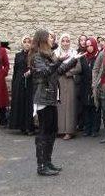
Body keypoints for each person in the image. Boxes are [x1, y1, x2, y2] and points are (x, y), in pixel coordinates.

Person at [30, 29, 80, 176]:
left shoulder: (49, 55)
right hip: (43, 97)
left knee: (52, 131)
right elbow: (44, 72)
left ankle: (48, 161)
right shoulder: (36, 56)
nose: (53, 39)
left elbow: (58, 72)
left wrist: (73, 59)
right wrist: (59, 60)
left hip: (51, 97)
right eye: (50, 37)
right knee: (44, 132)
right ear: (43, 39)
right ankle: (41, 166)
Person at [9, 36, 35, 135]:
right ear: (22, 43)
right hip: (19, 82)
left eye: (29, 42)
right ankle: (22, 126)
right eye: (25, 42)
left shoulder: (34, 55)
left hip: (30, 82)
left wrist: (31, 71)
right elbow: (16, 70)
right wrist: (14, 84)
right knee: (21, 103)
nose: (27, 44)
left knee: (29, 104)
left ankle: (29, 126)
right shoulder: (18, 55)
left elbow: (36, 67)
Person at [55, 33, 79, 140]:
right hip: (58, 80)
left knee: (69, 105)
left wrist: (69, 72)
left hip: (69, 80)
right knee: (59, 105)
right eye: (63, 41)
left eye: (67, 41)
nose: (65, 43)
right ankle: (60, 129)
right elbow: (53, 67)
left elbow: (79, 68)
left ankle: (69, 131)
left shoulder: (74, 53)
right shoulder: (55, 53)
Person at [79, 38, 101, 137]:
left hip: (95, 85)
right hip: (85, 85)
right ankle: (87, 128)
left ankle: (94, 129)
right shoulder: (83, 57)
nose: (89, 47)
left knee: (94, 107)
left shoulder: (98, 56)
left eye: (90, 45)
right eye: (87, 46)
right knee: (86, 107)